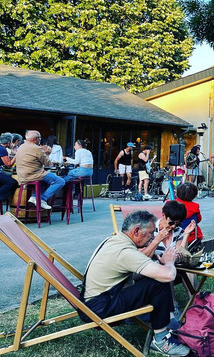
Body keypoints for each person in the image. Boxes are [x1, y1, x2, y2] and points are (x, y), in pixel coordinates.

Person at [81, 210, 191, 356]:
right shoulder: (125, 252)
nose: (152, 238)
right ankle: (161, 340)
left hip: (92, 302)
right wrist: (169, 262)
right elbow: (169, 275)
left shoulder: (113, 240)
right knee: (159, 282)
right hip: (100, 309)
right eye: (151, 233)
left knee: (151, 279)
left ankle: (166, 322)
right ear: (137, 231)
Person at [14, 130, 64, 210]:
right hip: (35, 175)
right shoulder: (37, 148)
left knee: (43, 181)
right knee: (60, 181)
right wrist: (47, 153)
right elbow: (48, 164)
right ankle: (42, 199)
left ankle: (34, 197)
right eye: (39, 138)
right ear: (35, 139)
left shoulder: (21, 147)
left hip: (22, 176)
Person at [0, 133, 18, 204]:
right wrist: (16, 156)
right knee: (13, 182)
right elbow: (9, 164)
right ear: (8, 142)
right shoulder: (2, 149)